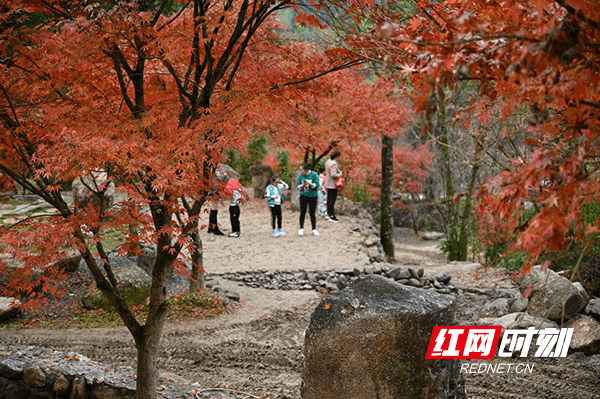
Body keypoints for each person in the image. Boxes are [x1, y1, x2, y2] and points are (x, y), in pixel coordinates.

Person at [297, 163, 320, 236]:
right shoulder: (300, 176)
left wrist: (310, 183)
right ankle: (301, 228)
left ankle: (314, 229)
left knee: (312, 213)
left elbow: (317, 185)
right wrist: (303, 185)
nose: (301, 171)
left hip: (313, 196)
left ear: (306, 169)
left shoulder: (314, 174)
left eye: (302, 169)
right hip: (303, 195)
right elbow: (298, 186)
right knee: (302, 212)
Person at [324, 150, 342, 223]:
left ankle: (328, 213)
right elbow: (333, 174)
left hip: (328, 182)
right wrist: (340, 174)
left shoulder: (328, 161)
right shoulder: (334, 163)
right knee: (332, 199)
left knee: (329, 199)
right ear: (337, 156)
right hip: (333, 184)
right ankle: (331, 215)